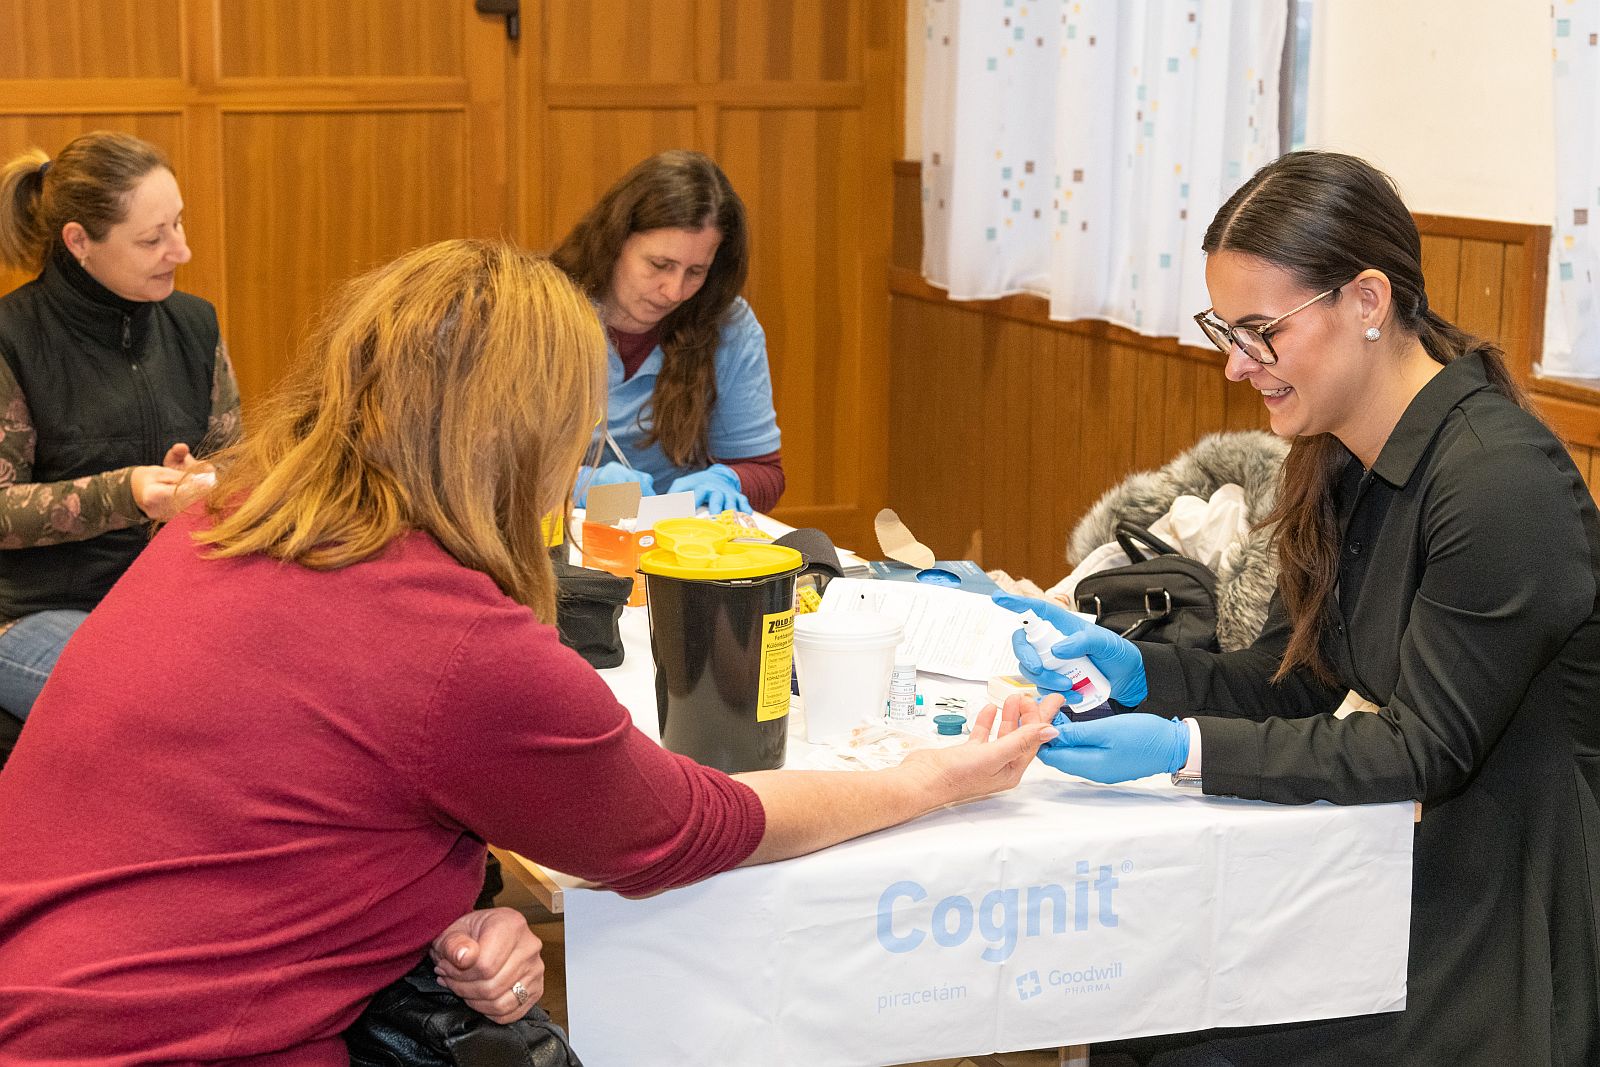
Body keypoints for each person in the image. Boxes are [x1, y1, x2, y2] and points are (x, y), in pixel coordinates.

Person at [0, 238, 1058, 1062]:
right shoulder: (458, 645)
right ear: (530, 437)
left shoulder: (225, 517)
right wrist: (926, 780)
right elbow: (698, 824)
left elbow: (280, 810)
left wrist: (455, 911)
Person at [998, 151, 1600, 1066]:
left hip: (1517, 923)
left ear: (1367, 301)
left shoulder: (1498, 482)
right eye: (1224, 331)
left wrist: (1183, 749)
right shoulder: (1337, 454)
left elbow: (1420, 750)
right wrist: (1138, 673)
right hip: (1411, 872)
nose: (1238, 366)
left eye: (1260, 330)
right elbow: (1292, 680)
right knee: (1139, 1012)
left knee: (1179, 1037)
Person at [0, 131, 240, 723]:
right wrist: (127, 494)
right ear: (79, 242)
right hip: (30, 610)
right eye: (153, 239)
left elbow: (240, 458)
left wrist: (211, 478)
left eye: (179, 225)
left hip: (172, 597)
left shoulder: (195, 325)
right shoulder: (12, 339)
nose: (180, 251)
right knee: (154, 708)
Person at [553, 149, 782, 514]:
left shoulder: (728, 326)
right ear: (615, 241)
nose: (674, 291)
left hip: (672, 547)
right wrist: (572, 483)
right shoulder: (539, 310)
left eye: (696, 271)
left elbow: (764, 471)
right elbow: (481, 467)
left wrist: (729, 479)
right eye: (660, 265)